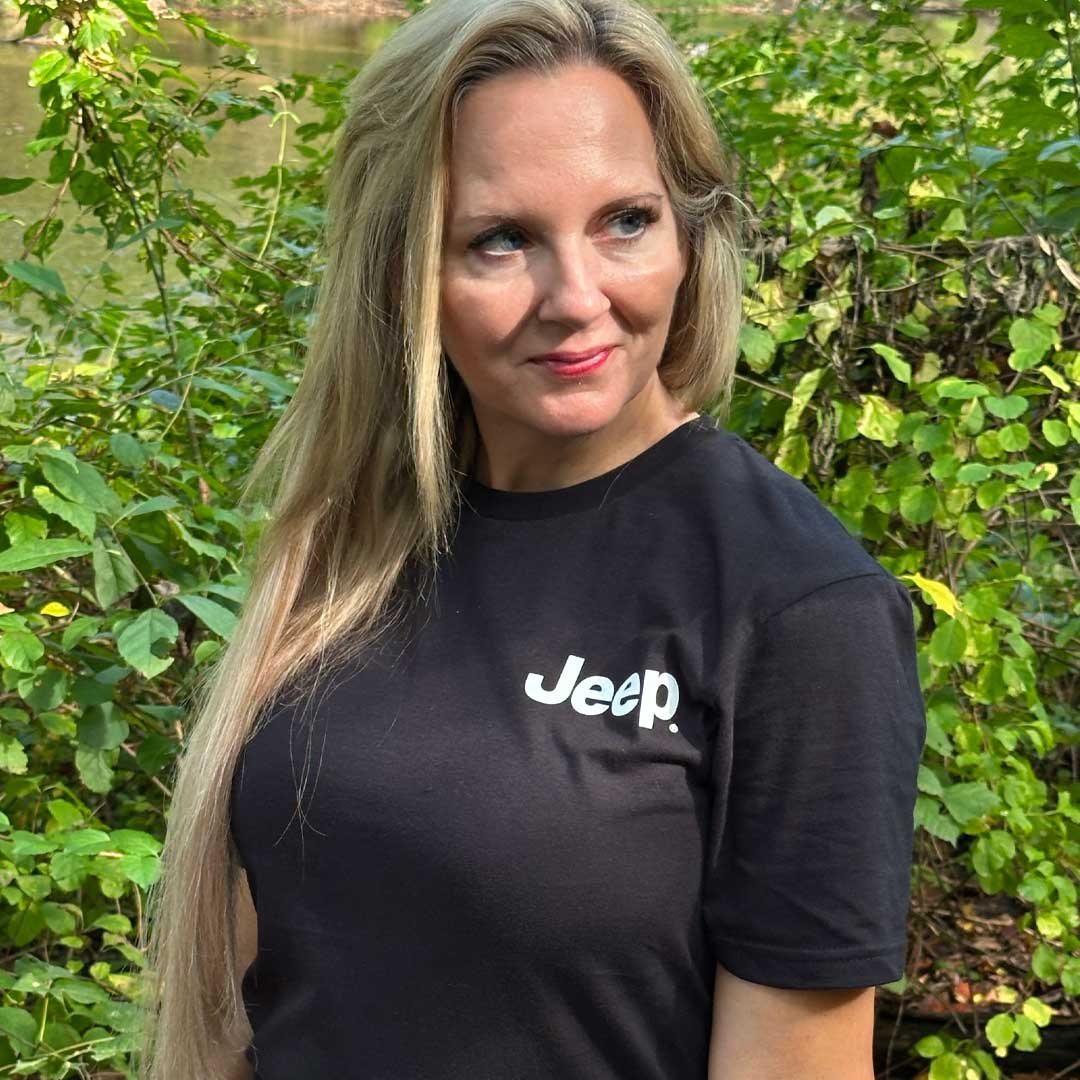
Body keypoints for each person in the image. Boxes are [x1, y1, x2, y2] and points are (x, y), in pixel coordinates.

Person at [136, 1, 927, 1077]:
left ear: (690, 236)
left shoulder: (799, 607)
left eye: (626, 221)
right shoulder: (360, 537)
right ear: (402, 270)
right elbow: (267, 988)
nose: (577, 298)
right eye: (500, 240)